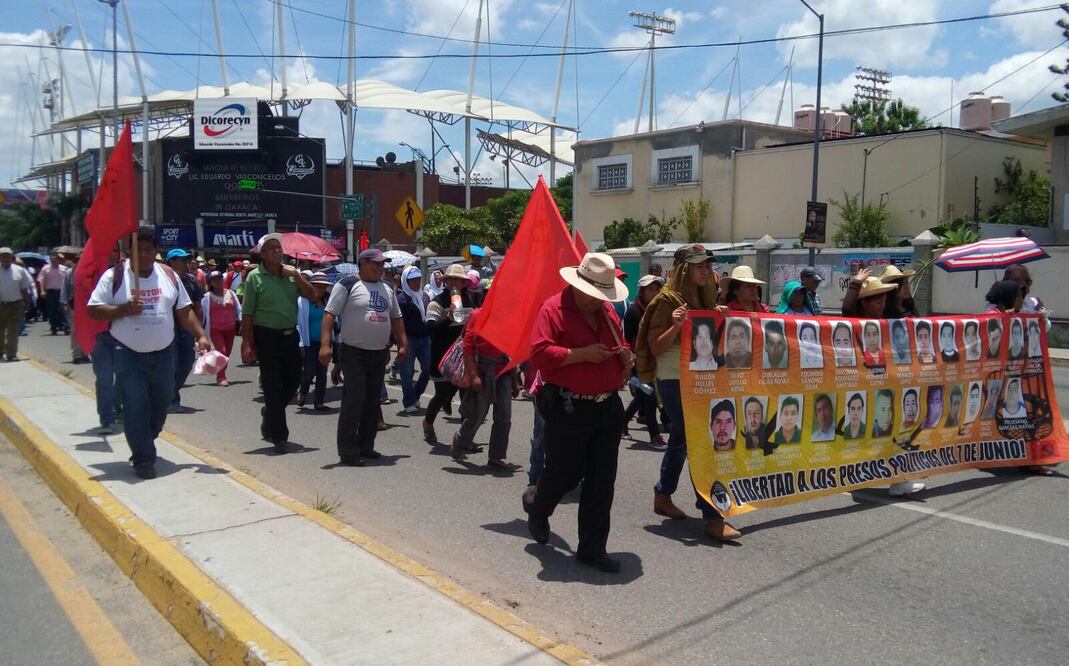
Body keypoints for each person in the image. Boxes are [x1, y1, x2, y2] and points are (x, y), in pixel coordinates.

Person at [523, 252, 633, 573]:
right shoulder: (552, 309)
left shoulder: (607, 313)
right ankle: (538, 505)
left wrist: (627, 358)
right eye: (595, 293)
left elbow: (621, 346)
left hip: (607, 406)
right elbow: (539, 354)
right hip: (569, 406)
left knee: (602, 481)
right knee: (564, 473)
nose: (600, 300)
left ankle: (592, 549)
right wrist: (580, 354)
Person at [635, 244, 740, 541]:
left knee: (682, 439)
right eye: (699, 266)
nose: (705, 271)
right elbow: (655, 347)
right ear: (683, 270)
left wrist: (718, 317)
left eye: (708, 266)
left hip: (701, 377)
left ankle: (662, 494)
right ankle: (711, 515)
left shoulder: (705, 300)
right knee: (698, 440)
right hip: (673, 378)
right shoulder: (667, 301)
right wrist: (676, 325)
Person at [87, 227, 211, 479]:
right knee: (135, 406)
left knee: (161, 404)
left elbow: (184, 310)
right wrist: (123, 310)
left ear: (155, 252)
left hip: (164, 354)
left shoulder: (168, 275)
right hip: (128, 354)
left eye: (148, 249)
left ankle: (144, 437)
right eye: (137, 250)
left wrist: (200, 334)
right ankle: (143, 457)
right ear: (128, 252)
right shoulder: (115, 276)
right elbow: (94, 309)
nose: (143, 254)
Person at [321, 249, 405, 466]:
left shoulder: (387, 287)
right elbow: (330, 314)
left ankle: (366, 446)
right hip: (353, 352)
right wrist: (325, 345)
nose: (380, 268)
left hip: (379, 352)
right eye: (376, 264)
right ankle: (348, 451)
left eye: (382, 264)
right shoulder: (347, 284)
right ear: (363, 263)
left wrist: (403, 343)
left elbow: (396, 317)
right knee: (354, 400)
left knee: (372, 401)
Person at [241, 234, 316, 451]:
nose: (277, 251)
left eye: (278, 247)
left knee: (293, 381)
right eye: (271, 248)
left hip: (290, 335)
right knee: (272, 386)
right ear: (263, 254)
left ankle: (270, 412)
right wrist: (247, 343)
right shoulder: (254, 277)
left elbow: (312, 295)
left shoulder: (291, 274)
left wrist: (297, 275)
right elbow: (247, 313)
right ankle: (279, 436)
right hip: (266, 336)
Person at [451, 302, 521, 469]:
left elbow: (511, 349)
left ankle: (496, 457)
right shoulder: (477, 315)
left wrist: (515, 379)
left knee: (504, 417)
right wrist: (474, 375)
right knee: (477, 415)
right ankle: (460, 438)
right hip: (482, 371)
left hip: (503, 372)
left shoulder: (509, 317)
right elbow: (468, 347)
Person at [422, 264, 473, 444]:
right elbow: (430, 329)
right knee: (441, 394)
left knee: (466, 396)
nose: (456, 283)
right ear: (446, 281)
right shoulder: (437, 302)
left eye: (459, 280)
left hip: (463, 356)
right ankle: (428, 423)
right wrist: (447, 318)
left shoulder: (467, 300)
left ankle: (464, 437)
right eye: (452, 279)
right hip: (442, 356)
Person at [623, 275, 666, 450]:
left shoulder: (658, 310)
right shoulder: (633, 311)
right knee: (649, 398)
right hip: (639, 362)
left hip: (655, 360)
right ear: (642, 291)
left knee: (643, 396)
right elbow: (629, 339)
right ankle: (654, 436)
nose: (655, 292)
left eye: (657, 289)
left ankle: (621, 423)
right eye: (650, 289)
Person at [166, 248, 203, 413]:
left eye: (187, 260)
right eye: (182, 260)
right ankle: (171, 399)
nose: (186, 263)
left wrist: (200, 332)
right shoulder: (163, 280)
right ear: (172, 262)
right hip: (168, 327)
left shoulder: (191, 280)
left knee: (187, 362)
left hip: (186, 327)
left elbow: (197, 306)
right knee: (172, 364)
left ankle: (169, 392)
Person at [397, 265, 432, 414]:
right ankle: (408, 401)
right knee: (407, 372)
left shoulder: (424, 296)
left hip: (424, 338)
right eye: (412, 280)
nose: (416, 282)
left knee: (428, 368)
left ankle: (415, 394)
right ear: (406, 281)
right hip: (408, 339)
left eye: (418, 279)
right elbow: (397, 322)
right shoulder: (401, 299)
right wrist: (400, 341)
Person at [296, 272, 333, 409]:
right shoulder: (302, 302)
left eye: (324, 287)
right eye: (318, 286)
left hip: (324, 342)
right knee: (309, 371)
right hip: (309, 343)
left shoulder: (328, 302)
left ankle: (319, 402)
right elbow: (298, 324)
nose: (321, 290)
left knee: (322, 372)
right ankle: (303, 391)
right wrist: (300, 343)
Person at [200, 271, 242, 387]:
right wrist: (200, 333)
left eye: (219, 278)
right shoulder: (206, 297)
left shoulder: (231, 293)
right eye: (214, 280)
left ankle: (220, 372)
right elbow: (202, 314)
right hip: (215, 329)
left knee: (226, 354)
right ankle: (221, 377)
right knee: (221, 352)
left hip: (230, 328)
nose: (218, 281)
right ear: (210, 283)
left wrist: (242, 322)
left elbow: (238, 309)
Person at [0, 247, 34, 361]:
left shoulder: (19, 270)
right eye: (2, 256)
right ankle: (0, 351)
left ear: (12, 258)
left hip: (16, 304)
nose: (5, 258)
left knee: (13, 331)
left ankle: (11, 354)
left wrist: (27, 302)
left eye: (7, 256)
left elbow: (24, 288)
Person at [39, 252, 69, 335]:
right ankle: (53, 327)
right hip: (50, 292)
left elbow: (68, 281)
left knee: (63, 309)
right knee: (51, 310)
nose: (53, 261)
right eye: (52, 260)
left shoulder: (64, 269)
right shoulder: (45, 269)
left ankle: (66, 327)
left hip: (62, 291)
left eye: (55, 259)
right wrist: (42, 291)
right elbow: (41, 280)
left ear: (58, 260)